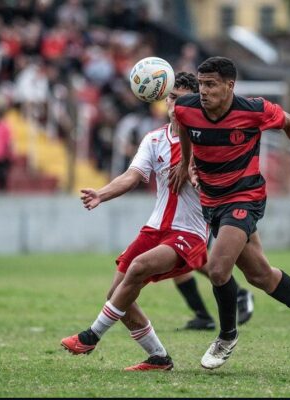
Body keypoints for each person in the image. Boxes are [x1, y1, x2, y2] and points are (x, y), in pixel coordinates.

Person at [60, 72, 251, 371]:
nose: (175, 104)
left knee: (137, 269)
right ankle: (159, 358)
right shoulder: (154, 139)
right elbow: (132, 176)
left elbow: (215, 179)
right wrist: (101, 193)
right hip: (154, 228)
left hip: (189, 232)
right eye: (172, 97)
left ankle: (91, 335)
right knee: (117, 296)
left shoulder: (205, 142)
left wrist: (198, 176)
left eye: (183, 99)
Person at [169, 56, 290, 370]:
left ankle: (226, 336)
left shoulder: (254, 111)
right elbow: (185, 130)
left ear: (229, 85)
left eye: (211, 85)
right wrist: (186, 164)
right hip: (212, 201)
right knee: (260, 275)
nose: (204, 91)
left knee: (218, 270)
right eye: (201, 84)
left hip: (245, 197)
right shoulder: (187, 109)